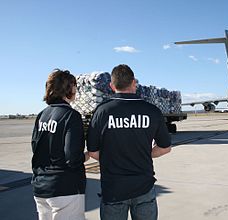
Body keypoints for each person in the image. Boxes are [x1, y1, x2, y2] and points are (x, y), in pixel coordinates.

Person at [87, 64, 171, 220]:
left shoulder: (102, 111)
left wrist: (112, 159)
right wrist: (143, 155)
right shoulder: (151, 110)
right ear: (134, 83)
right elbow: (165, 148)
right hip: (143, 186)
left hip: (113, 189)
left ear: (112, 86)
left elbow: (92, 151)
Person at [31, 69, 89, 220]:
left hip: (41, 188)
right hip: (65, 189)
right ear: (68, 88)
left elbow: (35, 148)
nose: (76, 90)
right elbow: (72, 158)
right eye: (74, 86)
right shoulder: (71, 116)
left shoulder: (42, 115)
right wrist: (88, 155)